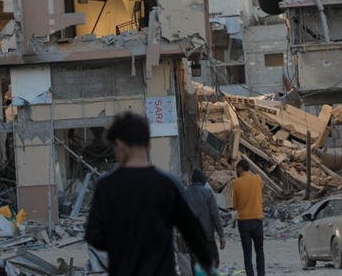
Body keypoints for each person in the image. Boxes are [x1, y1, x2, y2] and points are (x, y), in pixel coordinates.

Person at [85, 111, 215, 276]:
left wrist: (120, 244)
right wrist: (206, 261)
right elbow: (192, 230)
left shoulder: (106, 186)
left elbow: (93, 235)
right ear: (148, 145)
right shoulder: (166, 184)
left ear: (119, 146)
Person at [184, 169, 226, 272]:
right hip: (207, 237)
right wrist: (221, 235)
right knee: (213, 262)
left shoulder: (184, 193)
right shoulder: (208, 193)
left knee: (195, 265)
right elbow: (215, 215)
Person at [232, 159, 265, 276]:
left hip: (244, 221)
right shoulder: (257, 179)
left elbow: (235, 205)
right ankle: (261, 274)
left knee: (247, 253)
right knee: (259, 250)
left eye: (236, 168)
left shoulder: (236, 183)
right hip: (257, 219)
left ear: (240, 168)